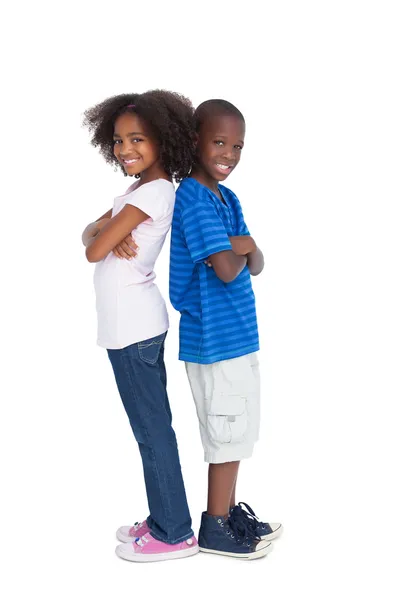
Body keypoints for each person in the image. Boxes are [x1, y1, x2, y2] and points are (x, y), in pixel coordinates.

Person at [82, 90, 198, 563]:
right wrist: (107, 233)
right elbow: (89, 234)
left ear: (164, 142)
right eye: (117, 140)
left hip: (134, 329)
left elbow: (92, 248)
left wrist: (106, 236)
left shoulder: (154, 191)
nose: (124, 149)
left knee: (153, 431)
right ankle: (162, 517)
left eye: (137, 139)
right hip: (129, 326)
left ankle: (174, 532)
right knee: (150, 429)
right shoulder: (136, 192)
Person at [169, 99, 282, 559]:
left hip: (236, 336)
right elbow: (228, 269)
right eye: (220, 142)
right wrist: (244, 246)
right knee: (225, 431)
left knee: (237, 431)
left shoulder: (225, 198)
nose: (230, 154)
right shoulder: (194, 196)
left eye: (237, 146)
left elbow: (255, 262)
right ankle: (215, 526)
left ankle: (229, 512)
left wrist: (244, 246)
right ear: (195, 141)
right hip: (212, 341)